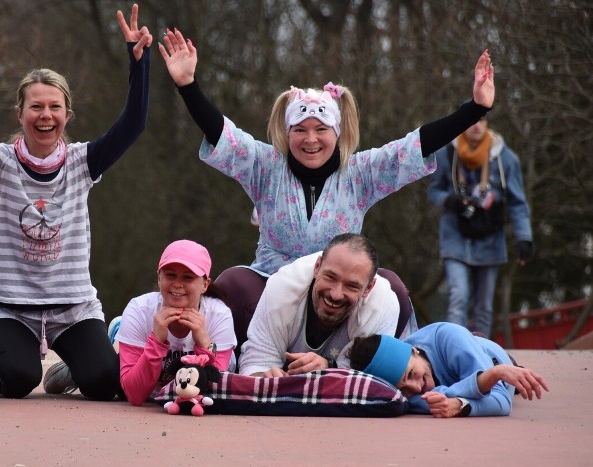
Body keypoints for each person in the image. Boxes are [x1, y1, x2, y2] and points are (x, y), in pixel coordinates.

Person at [159, 28, 496, 353]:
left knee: (390, 285)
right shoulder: (264, 165)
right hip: (272, 285)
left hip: (338, 289)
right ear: (287, 132)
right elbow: (222, 134)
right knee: (232, 283)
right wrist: (188, 85)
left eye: (321, 129)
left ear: (337, 132)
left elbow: (416, 146)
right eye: (300, 130)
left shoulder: (361, 172)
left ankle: (378, 363)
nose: (310, 140)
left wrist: (475, 109)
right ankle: (224, 360)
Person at [0, 5, 152, 400]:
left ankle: (69, 368)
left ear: (67, 114)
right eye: (36, 107)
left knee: (106, 384)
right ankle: (1, 355)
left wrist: (138, 64)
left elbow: (134, 124)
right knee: (17, 380)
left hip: (73, 307)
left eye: (54, 107)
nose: (46, 115)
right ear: (20, 113)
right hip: (12, 308)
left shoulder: (83, 162)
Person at [427, 114, 534, 337]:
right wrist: (449, 201)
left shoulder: (505, 158)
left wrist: (524, 238)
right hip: (455, 236)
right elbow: (433, 190)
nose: (476, 125)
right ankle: (452, 350)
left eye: (481, 120)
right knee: (458, 297)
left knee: (483, 307)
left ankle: (480, 356)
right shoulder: (447, 153)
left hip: (490, 239)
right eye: (471, 120)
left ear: (487, 124)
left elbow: (517, 202)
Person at [239, 233, 403, 377]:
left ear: (368, 288)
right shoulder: (282, 287)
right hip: (280, 390)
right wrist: (264, 376)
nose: (336, 294)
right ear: (317, 267)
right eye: (331, 277)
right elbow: (256, 361)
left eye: (351, 286)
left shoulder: (383, 305)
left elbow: (374, 380)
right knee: (236, 280)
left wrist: (329, 369)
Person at [116, 240, 236, 406]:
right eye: (170, 275)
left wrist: (205, 344)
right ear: (159, 278)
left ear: (205, 285)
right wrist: (156, 342)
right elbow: (134, 395)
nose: (177, 284)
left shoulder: (220, 315)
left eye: (188, 277)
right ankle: (118, 332)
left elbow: (214, 391)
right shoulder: (138, 309)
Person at [349, 322, 549, 417]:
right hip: (473, 371)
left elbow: (502, 402)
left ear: (414, 350)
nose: (416, 388)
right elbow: (435, 400)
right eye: (404, 389)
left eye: (410, 374)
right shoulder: (400, 394)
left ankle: (480, 345)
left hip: (493, 357)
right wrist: (459, 400)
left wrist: (495, 373)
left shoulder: (449, 336)